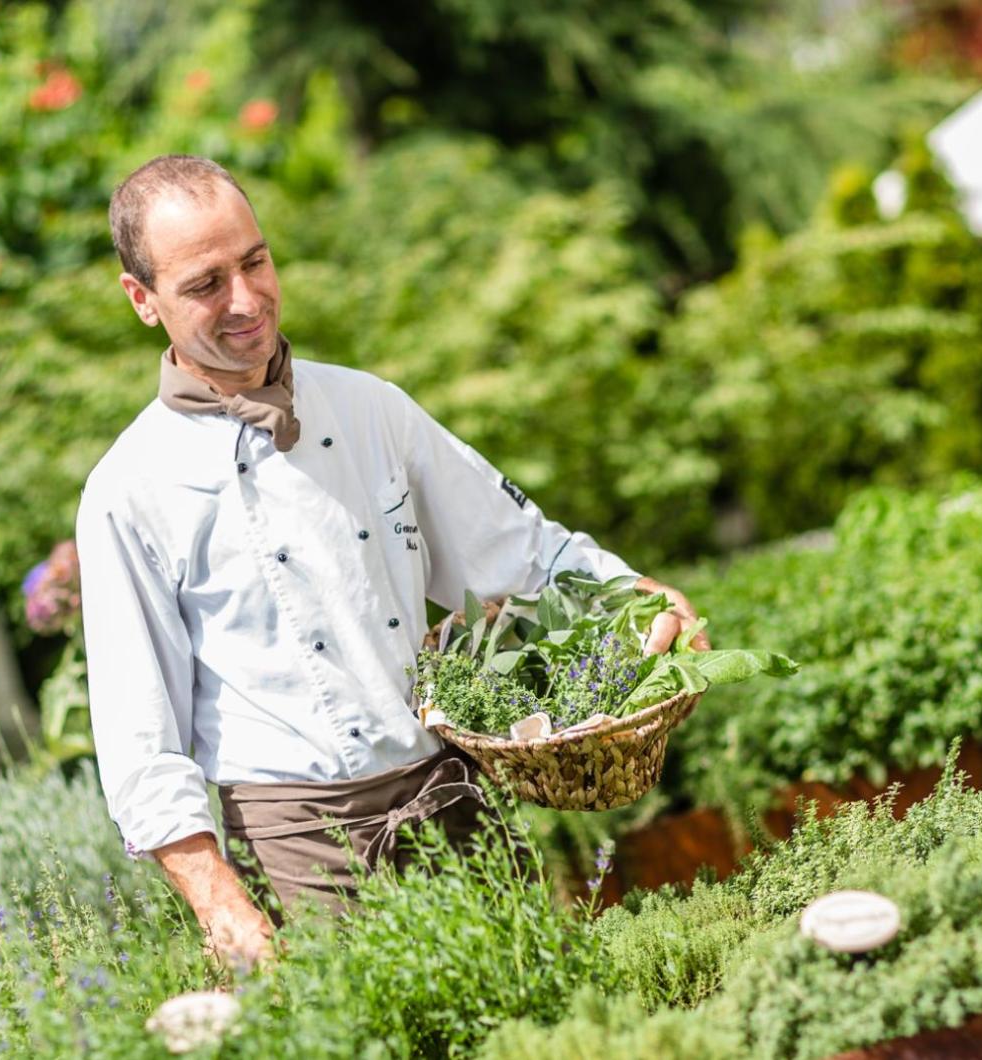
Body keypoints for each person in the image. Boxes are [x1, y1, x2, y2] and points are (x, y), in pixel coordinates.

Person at [77, 154, 708, 969]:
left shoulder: (369, 407)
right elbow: (137, 737)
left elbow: (521, 554)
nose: (246, 300)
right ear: (142, 299)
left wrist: (635, 595)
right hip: (298, 848)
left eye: (255, 261)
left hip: (452, 798)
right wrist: (218, 900)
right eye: (204, 284)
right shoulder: (128, 490)